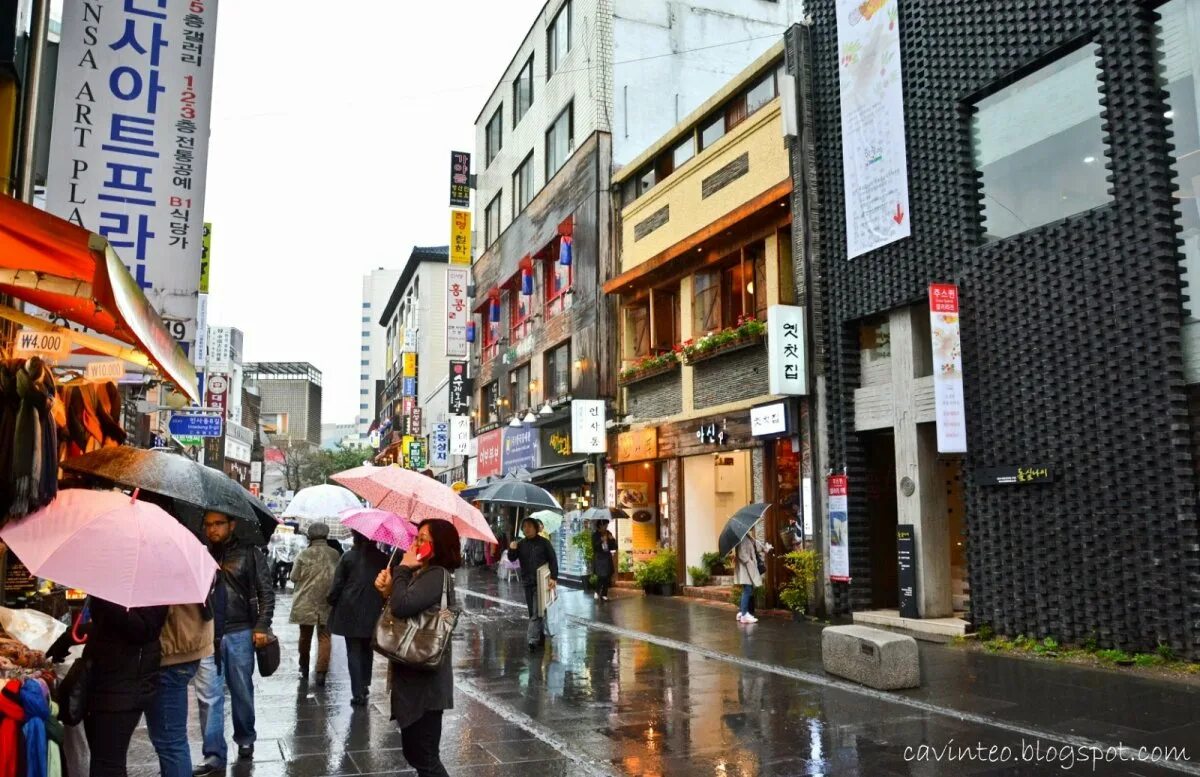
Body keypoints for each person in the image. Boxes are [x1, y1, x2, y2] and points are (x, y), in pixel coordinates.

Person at [373, 520, 461, 777]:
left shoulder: (436, 575)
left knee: (424, 757)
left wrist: (400, 570)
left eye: (423, 539)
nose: (415, 544)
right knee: (418, 753)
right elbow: (403, 608)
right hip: (415, 676)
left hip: (425, 684)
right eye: (417, 537)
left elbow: (402, 606)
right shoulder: (422, 574)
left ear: (439, 546)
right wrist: (388, 590)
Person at [193, 510, 275, 776]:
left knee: (241, 690)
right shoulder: (200, 553)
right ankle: (214, 754)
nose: (212, 530)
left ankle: (245, 737)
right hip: (207, 632)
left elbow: (266, 591)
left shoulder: (250, 553)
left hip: (240, 631)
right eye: (208, 525)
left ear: (232, 525)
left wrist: (262, 625)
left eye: (218, 524)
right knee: (209, 696)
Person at [80, 596, 169, 777]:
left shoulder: (149, 592)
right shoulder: (112, 588)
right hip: (104, 682)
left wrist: (109, 601)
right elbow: (105, 629)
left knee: (109, 764)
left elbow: (145, 629)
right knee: (101, 759)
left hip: (123, 687)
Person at [145, 603, 213, 777]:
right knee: (170, 740)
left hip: (173, 651)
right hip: (185, 645)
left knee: (170, 741)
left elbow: (154, 614)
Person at [328, 531, 389, 707]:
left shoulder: (348, 557)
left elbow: (338, 584)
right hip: (373, 608)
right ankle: (364, 683)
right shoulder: (383, 558)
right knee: (367, 648)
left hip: (350, 609)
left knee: (353, 650)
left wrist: (331, 599)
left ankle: (357, 692)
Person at [290, 522, 340, 687]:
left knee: (305, 636)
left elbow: (293, 577)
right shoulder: (335, 554)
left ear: (310, 536)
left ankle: (304, 666)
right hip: (327, 602)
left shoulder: (304, 554)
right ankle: (321, 673)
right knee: (325, 637)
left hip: (305, 602)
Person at [508, 517, 558, 650]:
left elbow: (553, 560)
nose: (527, 529)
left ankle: (532, 639)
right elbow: (512, 558)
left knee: (537, 611)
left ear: (536, 528)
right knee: (533, 611)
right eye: (524, 527)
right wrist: (512, 549)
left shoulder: (544, 543)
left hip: (542, 583)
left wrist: (554, 577)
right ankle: (540, 636)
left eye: (529, 526)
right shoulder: (521, 544)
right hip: (527, 582)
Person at [734, 532, 771, 625]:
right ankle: (744, 615)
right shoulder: (742, 538)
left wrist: (765, 548)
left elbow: (756, 546)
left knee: (747, 590)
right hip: (745, 569)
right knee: (747, 590)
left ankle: (742, 612)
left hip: (748, 568)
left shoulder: (747, 536)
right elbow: (742, 555)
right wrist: (750, 562)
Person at [591, 520, 616, 602]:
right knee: (601, 575)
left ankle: (604, 594)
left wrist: (611, 539)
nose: (606, 527)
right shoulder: (595, 535)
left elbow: (614, 547)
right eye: (605, 526)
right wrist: (601, 540)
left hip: (607, 557)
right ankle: (597, 591)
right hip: (599, 557)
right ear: (600, 526)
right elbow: (594, 547)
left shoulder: (608, 533)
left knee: (607, 575)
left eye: (606, 526)